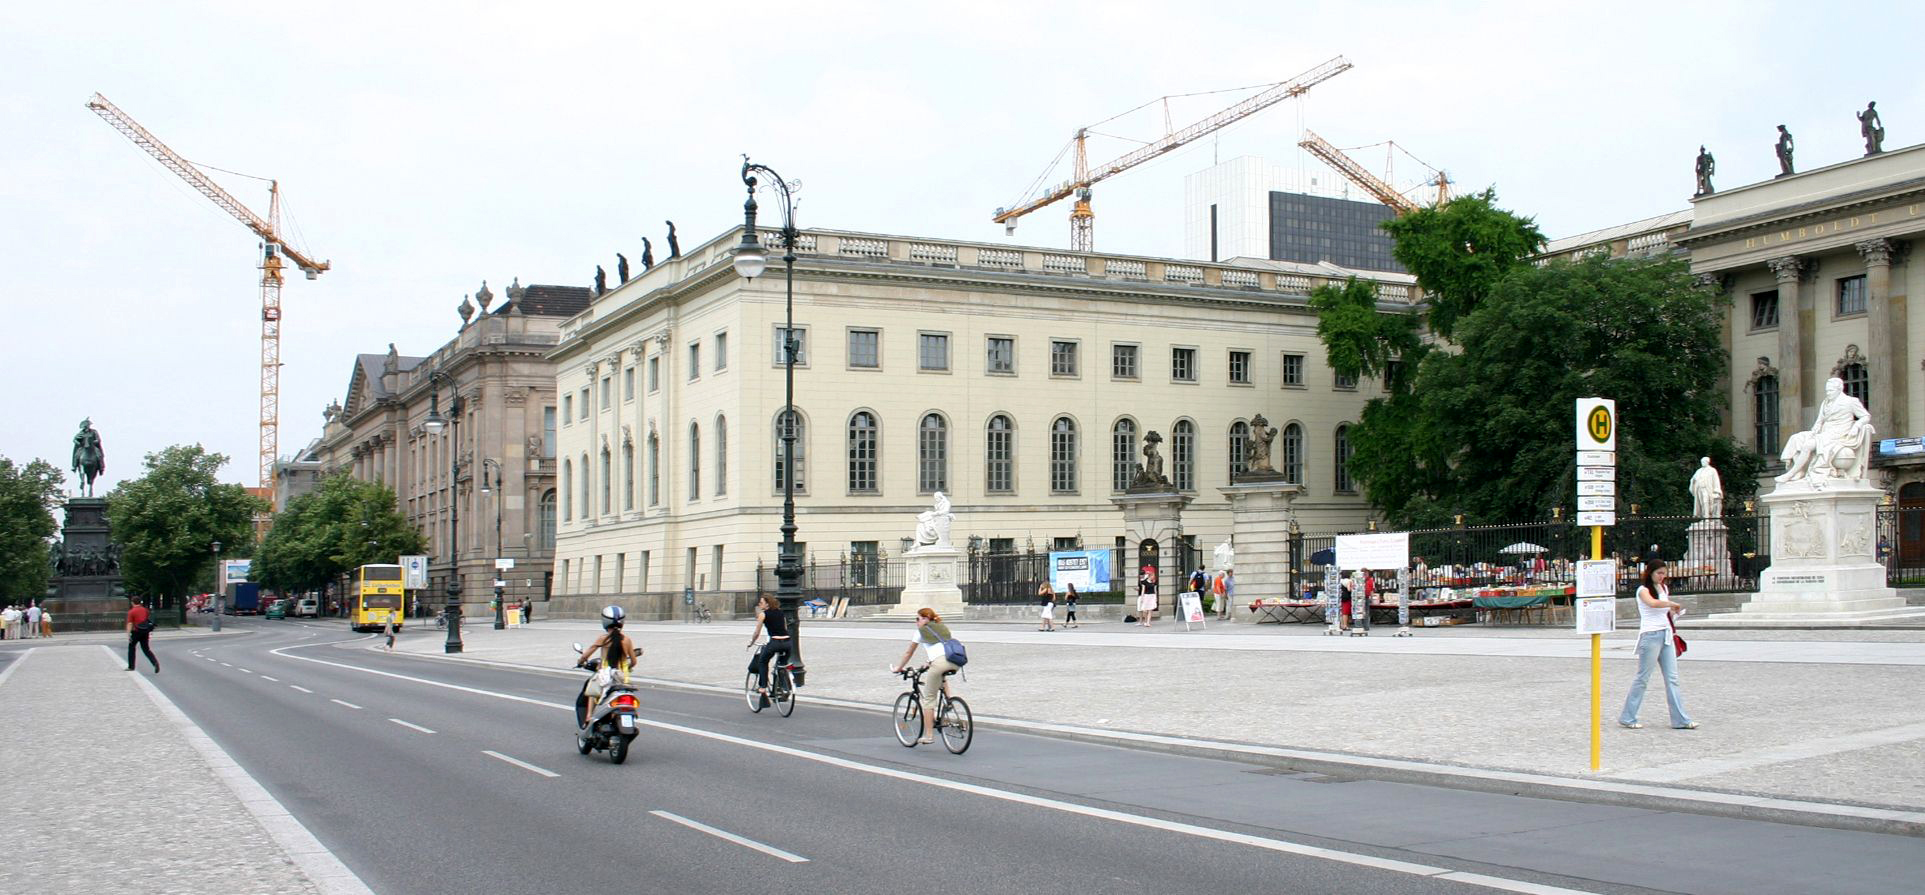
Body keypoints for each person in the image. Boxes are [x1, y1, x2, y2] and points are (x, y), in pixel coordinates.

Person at [1619, 559, 1697, 730]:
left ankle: (1680, 719)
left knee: (1672, 678)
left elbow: (1662, 610)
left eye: (1664, 573)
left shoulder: (1663, 588)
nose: (1662, 576)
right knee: (1643, 678)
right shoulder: (1643, 590)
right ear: (1650, 573)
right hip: (1651, 635)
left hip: (1666, 633)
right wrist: (1670, 603)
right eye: (1659, 573)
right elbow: (1652, 603)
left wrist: (1673, 611)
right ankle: (1628, 716)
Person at [890, 608, 958, 745]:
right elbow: (941, 648)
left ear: (926, 619)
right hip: (955, 661)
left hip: (939, 663)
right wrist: (928, 663)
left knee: (928, 699)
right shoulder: (941, 627)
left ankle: (928, 736)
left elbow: (909, 653)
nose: (916, 622)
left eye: (918, 618)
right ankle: (949, 700)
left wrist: (899, 668)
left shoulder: (920, 632)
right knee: (939, 675)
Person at [575, 605, 641, 728]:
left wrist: (580, 661)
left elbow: (587, 654)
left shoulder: (603, 639)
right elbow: (634, 661)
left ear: (605, 621)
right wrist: (628, 667)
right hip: (622, 677)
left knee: (591, 692)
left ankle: (589, 716)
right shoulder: (626, 640)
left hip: (605, 675)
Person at [744, 594, 792, 701]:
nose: (759, 604)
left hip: (775, 642)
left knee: (762, 661)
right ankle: (783, 688)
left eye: (761, 602)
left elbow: (757, 632)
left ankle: (762, 687)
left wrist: (751, 642)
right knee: (782, 666)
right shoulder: (781, 613)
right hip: (787, 643)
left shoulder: (763, 614)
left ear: (767, 603)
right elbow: (784, 628)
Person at [126, 598, 159, 673]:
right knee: (146, 649)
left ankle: (131, 666)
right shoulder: (145, 610)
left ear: (132, 602)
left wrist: (128, 635)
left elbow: (130, 623)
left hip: (136, 631)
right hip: (145, 631)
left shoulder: (131, 611)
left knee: (131, 648)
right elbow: (146, 620)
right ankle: (154, 662)